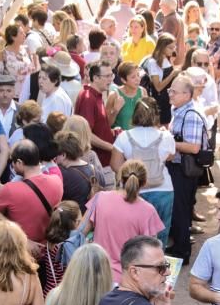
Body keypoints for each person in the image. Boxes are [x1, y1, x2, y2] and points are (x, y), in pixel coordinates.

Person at [111, 98, 177, 246]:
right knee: (161, 233)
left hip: (134, 189)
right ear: (156, 114)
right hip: (163, 189)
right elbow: (171, 156)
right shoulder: (166, 136)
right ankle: (158, 263)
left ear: (135, 114)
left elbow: (115, 165)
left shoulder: (124, 137)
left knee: (133, 235)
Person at [0, 140, 63, 249]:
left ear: (20, 163)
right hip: (48, 250)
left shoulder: (10, 189)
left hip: (19, 250)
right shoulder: (57, 181)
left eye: (12, 161)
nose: (12, 165)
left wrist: (23, 238)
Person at [166, 75, 207, 264]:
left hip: (184, 170)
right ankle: (178, 246)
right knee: (179, 208)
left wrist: (169, 141)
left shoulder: (190, 115)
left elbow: (193, 147)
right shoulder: (179, 111)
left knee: (181, 210)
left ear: (187, 94)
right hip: (178, 167)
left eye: (173, 91)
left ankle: (182, 252)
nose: (170, 94)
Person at [75, 62, 117, 167]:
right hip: (96, 164)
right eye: (107, 76)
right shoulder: (88, 98)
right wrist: (111, 147)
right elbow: (86, 134)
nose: (110, 79)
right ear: (95, 78)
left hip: (103, 161)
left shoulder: (97, 95)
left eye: (111, 75)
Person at [143, 33, 180, 125]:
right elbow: (158, 87)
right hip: (160, 100)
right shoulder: (153, 62)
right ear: (162, 47)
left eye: (174, 47)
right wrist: (172, 74)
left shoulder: (167, 59)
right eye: (170, 48)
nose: (173, 50)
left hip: (168, 99)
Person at [108, 61, 145, 131]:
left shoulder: (143, 92)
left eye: (138, 75)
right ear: (123, 80)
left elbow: (148, 119)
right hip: (121, 139)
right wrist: (115, 111)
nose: (138, 79)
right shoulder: (114, 95)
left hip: (139, 139)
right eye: (133, 77)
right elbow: (106, 124)